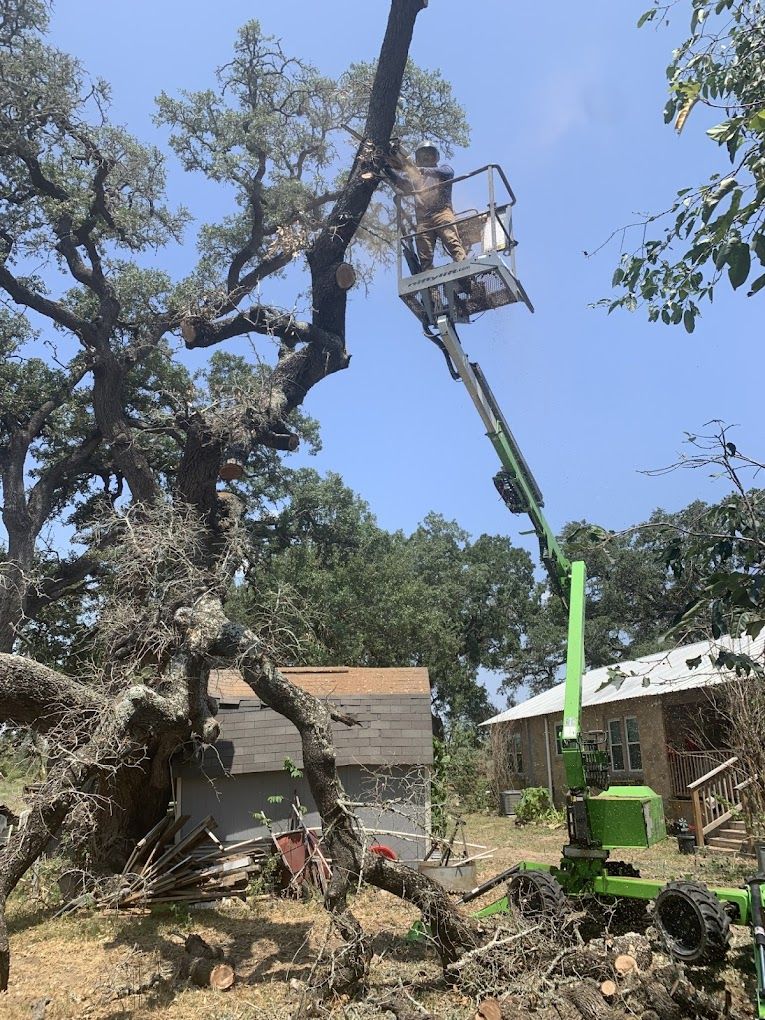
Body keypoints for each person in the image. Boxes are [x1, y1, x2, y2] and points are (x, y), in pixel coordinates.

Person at [387, 141, 467, 272]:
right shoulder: (416, 180)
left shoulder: (442, 170)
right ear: (418, 158)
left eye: (429, 154)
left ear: (435, 157)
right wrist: (387, 169)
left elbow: (448, 172)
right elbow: (402, 184)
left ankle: (466, 271)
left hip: (442, 212)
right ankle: (432, 291)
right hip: (424, 220)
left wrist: (421, 170)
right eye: (423, 155)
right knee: (425, 257)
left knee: (452, 242)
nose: (426, 157)